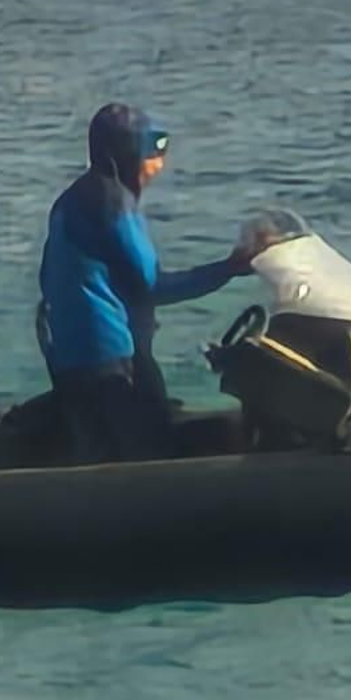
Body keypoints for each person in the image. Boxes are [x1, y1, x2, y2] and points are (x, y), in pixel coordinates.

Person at [38, 104, 250, 463]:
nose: (159, 166)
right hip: (111, 359)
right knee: (148, 453)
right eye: (152, 155)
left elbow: (50, 279)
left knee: (98, 454)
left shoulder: (71, 200)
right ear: (125, 155)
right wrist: (229, 268)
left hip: (69, 357)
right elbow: (153, 286)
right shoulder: (113, 202)